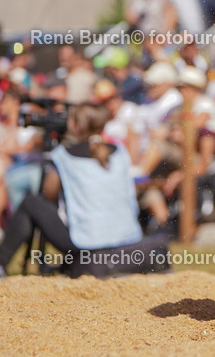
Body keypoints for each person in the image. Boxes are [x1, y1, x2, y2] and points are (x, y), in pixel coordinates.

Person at [0, 104, 143, 279]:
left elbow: (48, 194)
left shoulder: (63, 155)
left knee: (31, 203)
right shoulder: (120, 152)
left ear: (78, 126)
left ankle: (1, 263)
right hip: (128, 236)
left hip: (85, 242)